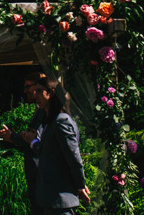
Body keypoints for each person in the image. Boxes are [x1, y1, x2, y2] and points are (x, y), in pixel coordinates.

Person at [22, 81, 90, 215]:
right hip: (51, 200)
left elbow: (73, 158)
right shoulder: (51, 122)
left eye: (40, 91)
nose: (35, 95)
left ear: (51, 94)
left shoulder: (61, 121)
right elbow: (49, 153)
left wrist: (80, 185)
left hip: (60, 199)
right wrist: (33, 141)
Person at [0, 71, 48, 215]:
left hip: (40, 171)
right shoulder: (39, 110)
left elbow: (36, 139)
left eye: (28, 87)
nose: (25, 91)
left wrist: (12, 137)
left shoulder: (45, 111)